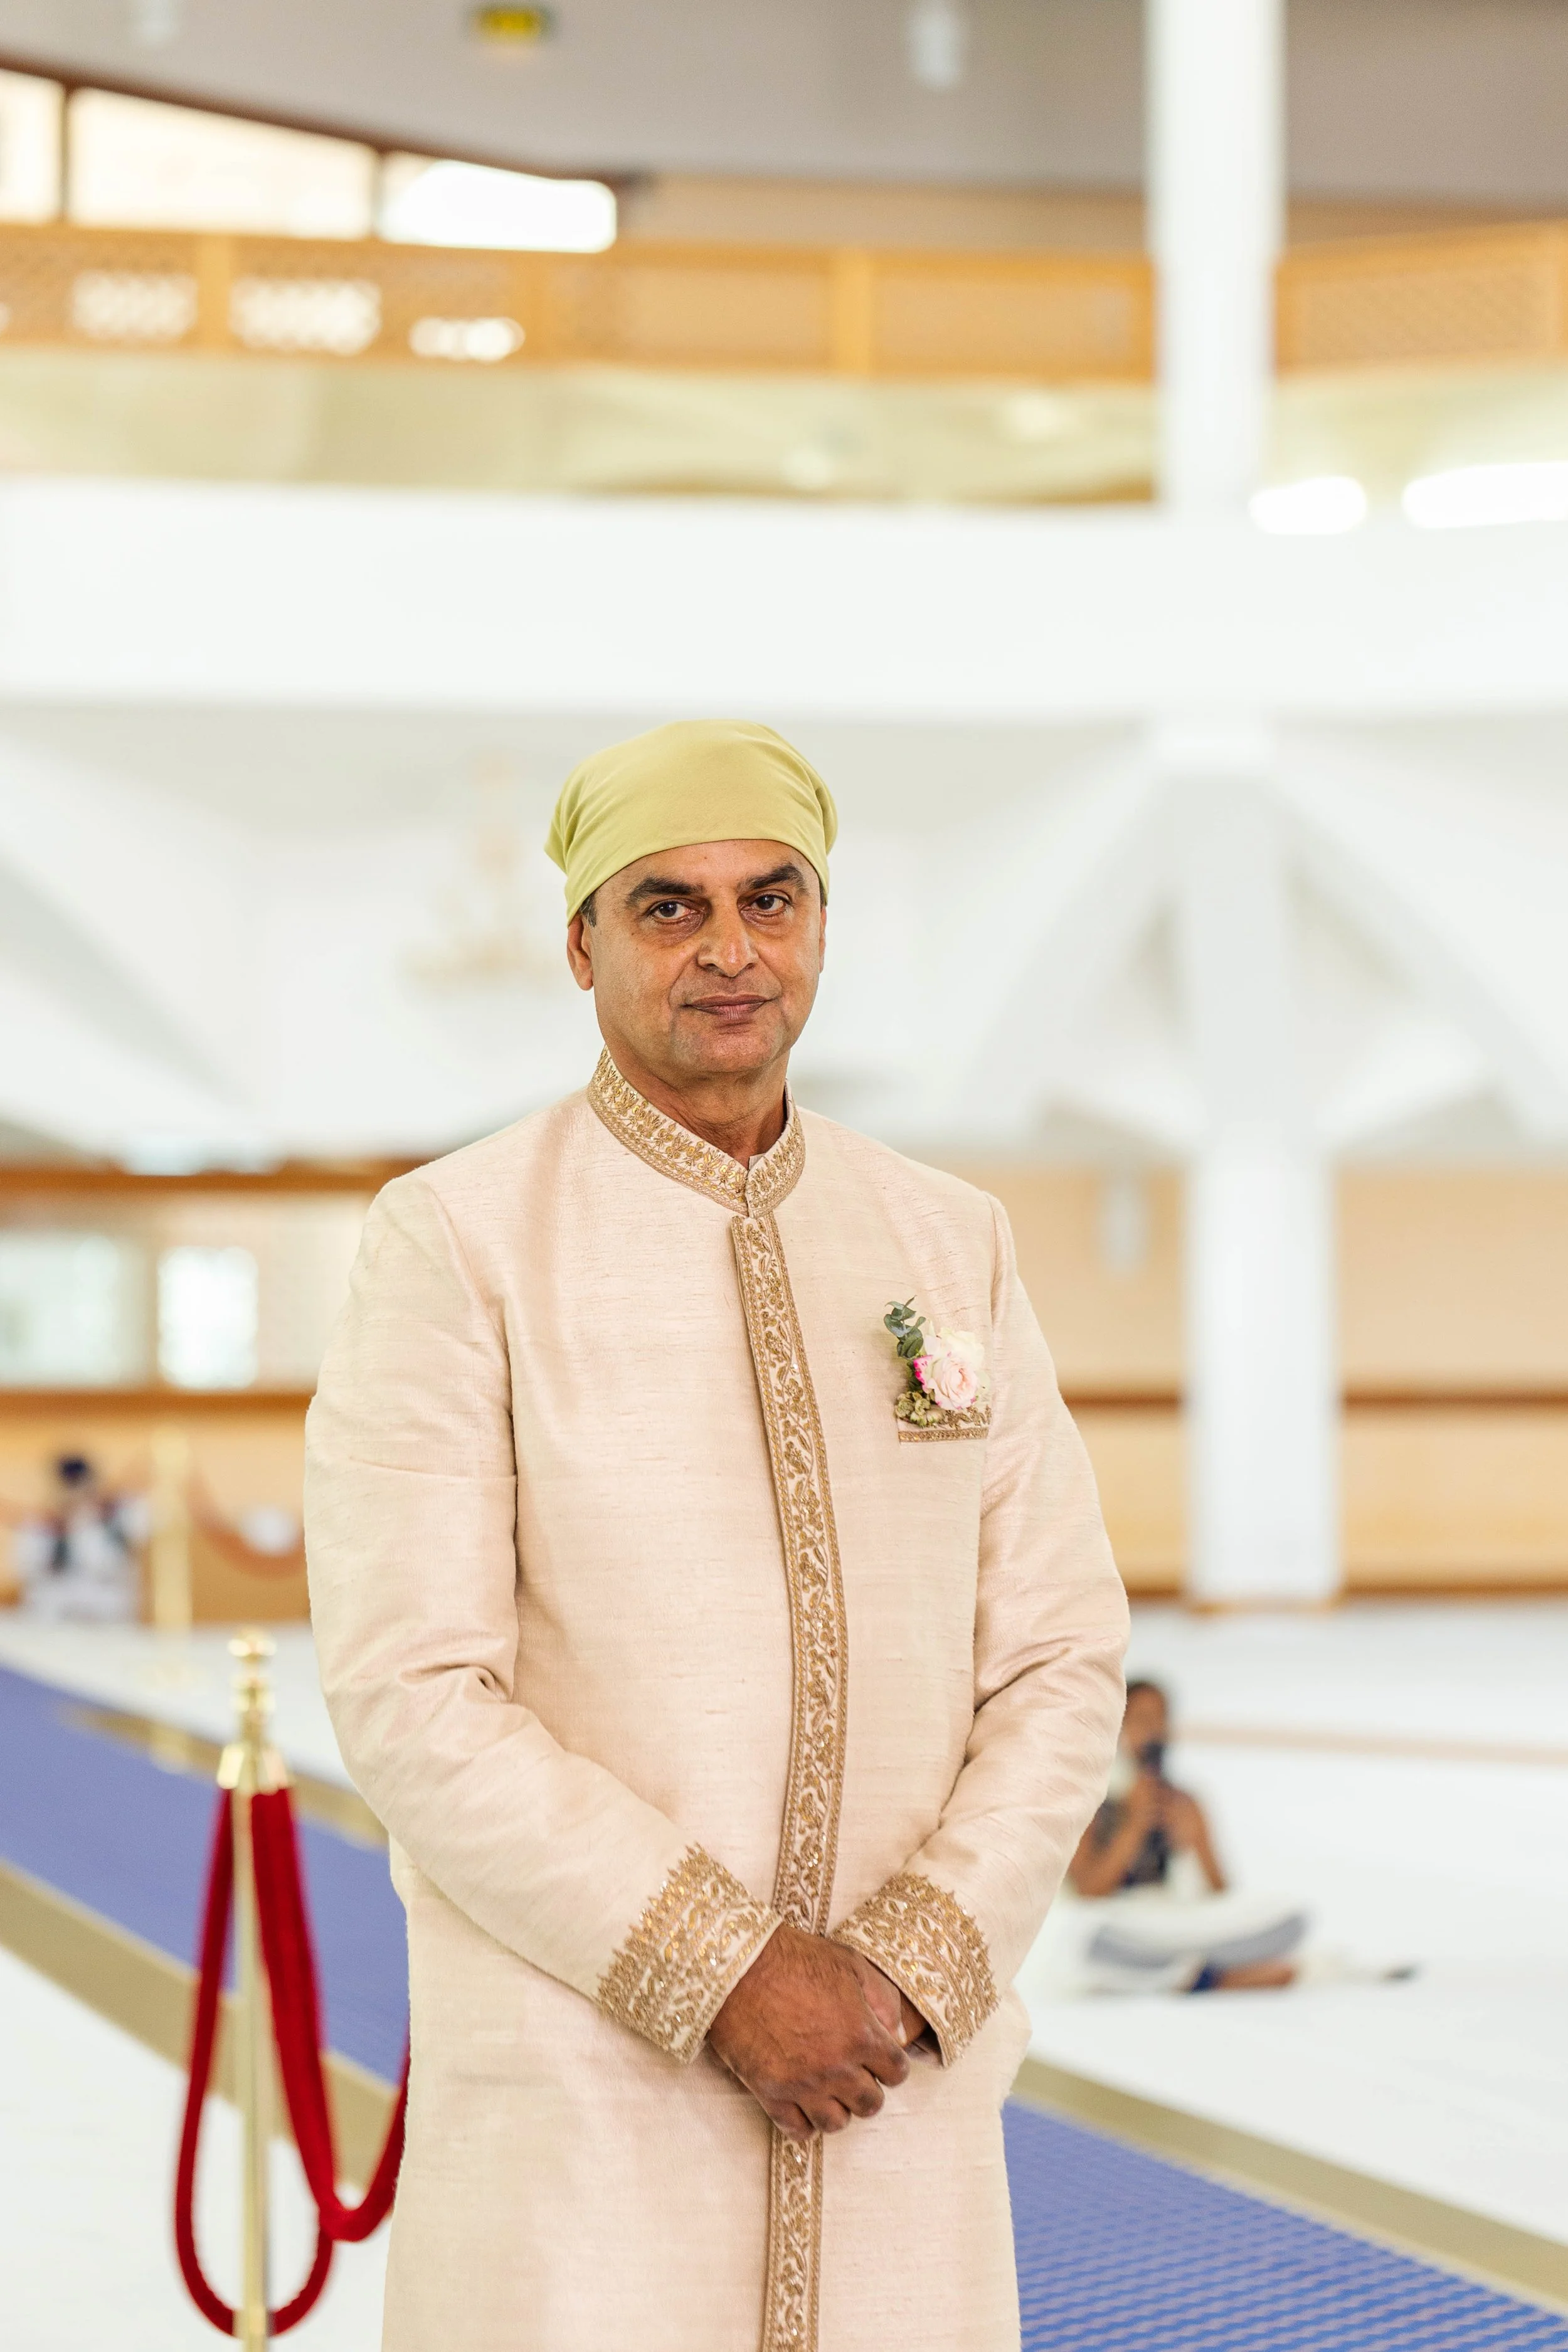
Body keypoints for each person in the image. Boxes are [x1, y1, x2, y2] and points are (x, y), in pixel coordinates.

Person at [305, 719, 1129, 2352]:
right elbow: (414, 1684)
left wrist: (902, 1967)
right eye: (668, 905)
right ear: (580, 943)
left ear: (820, 922)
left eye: (773, 896)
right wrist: (729, 1971)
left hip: (899, 2090)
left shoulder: (941, 1240)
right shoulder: (460, 1240)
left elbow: (1057, 1649)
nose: (731, 948)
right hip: (587, 2090)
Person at [1022, 1678, 1308, 1999]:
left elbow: (1222, 1897)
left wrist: (1193, 1845)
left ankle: (1185, 1973)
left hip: (1168, 1924)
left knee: (1290, 1918)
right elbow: (1089, 1891)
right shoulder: (1086, 1797)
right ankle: (1204, 1978)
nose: (1153, 1731)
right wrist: (1133, 1827)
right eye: (1142, 1720)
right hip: (1112, 1925)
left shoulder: (1185, 1802)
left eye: (1161, 1720)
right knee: (1082, 1940)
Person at [13, 1453, 145, 1624]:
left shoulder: (115, 1518)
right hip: (54, 1619)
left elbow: (145, 1524)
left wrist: (109, 1510)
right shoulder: (41, 1527)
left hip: (109, 1617)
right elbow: (27, 1569)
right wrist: (59, 1529)